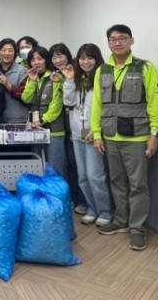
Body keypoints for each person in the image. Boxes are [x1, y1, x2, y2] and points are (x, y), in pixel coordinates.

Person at [91, 25, 158, 251]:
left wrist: (154, 133)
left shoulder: (145, 67)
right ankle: (121, 220)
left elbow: (154, 101)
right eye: (113, 39)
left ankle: (137, 228)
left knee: (138, 185)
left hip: (137, 137)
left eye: (123, 38)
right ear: (108, 43)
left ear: (131, 41)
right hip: (111, 136)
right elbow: (97, 105)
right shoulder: (102, 70)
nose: (118, 42)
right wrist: (96, 134)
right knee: (117, 181)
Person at [62, 44, 112, 227]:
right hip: (77, 133)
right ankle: (92, 208)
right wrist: (68, 80)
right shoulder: (77, 79)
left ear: (97, 59)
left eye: (90, 58)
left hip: (94, 134)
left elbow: (106, 108)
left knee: (95, 175)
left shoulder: (104, 79)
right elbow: (68, 102)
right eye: (82, 58)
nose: (86, 62)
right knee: (82, 175)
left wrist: (96, 130)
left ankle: (105, 210)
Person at [49, 43, 86, 214]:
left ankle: (82, 199)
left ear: (68, 56)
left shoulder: (76, 72)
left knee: (75, 162)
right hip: (62, 123)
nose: (57, 60)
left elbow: (72, 97)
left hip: (79, 122)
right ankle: (71, 197)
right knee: (65, 162)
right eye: (54, 57)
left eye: (60, 56)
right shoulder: (55, 75)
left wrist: (66, 80)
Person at [22, 46, 66, 176]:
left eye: (40, 59)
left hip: (54, 130)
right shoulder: (32, 77)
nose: (36, 62)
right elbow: (26, 98)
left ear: (47, 60)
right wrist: (33, 82)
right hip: (36, 130)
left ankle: (56, 196)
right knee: (38, 168)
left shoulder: (55, 77)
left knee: (54, 169)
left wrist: (43, 120)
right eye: (33, 60)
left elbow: (57, 103)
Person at [0, 38, 28, 123]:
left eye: (10, 50)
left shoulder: (23, 71)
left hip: (17, 119)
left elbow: (25, 96)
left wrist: (8, 85)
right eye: (3, 50)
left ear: (15, 53)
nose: (7, 53)